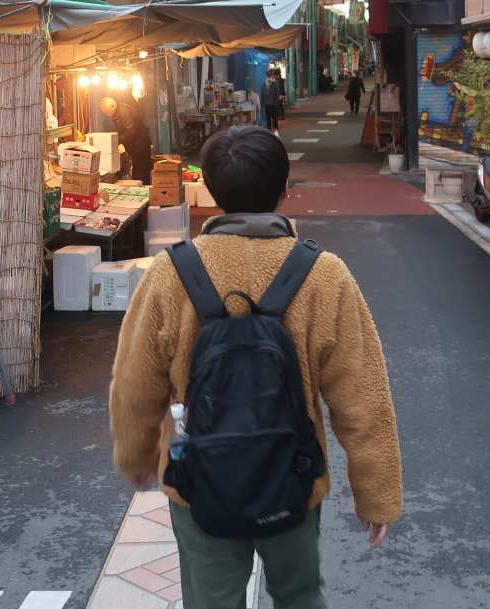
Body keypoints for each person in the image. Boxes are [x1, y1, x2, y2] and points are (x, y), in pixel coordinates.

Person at [110, 125, 402, 609]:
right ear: (285, 191)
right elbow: (363, 393)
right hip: (294, 475)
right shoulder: (324, 274)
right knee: (300, 596)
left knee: (211, 600)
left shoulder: (169, 272)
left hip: (198, 479)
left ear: (212, 189)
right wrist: (377, 493)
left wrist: (136, 457)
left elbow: (135, 382)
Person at [101, 94, 153, 183]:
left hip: (140, 147)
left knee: (140, 175)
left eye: (108, 111)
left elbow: (131, 131)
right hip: (136, 147)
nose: (108, 115)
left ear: (113, 106)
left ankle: (143, 195)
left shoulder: (123, 111)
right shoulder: (118, 111)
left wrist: (117, 141)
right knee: (138, 174)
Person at [260, 69, 284, 133]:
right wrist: (262, 103)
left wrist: (277, 103)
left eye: (270, 76)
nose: (269, 78)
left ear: (272, 76)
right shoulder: (264, 84)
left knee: (274, 116)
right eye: (268, 76)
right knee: (268, 116)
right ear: (266, 76)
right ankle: (269, 127)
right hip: (266, 103)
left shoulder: (275, 84)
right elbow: (262, 93)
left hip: (273, 103)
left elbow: (277, 94)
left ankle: (276, 127)